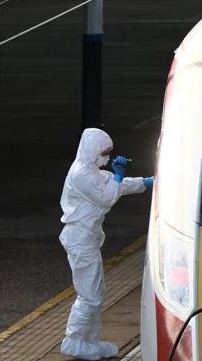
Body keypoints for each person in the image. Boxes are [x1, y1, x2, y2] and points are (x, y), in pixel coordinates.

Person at [59, 128, 154, 360]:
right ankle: (73, 341)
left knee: (96, 294)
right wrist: (120, 176)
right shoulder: (80, 174)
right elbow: (107, 196)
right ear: (93, 151)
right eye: (105, 152)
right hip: (80, 240)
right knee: (89, 296)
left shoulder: (92, 170)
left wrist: (147, 182)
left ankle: (90, 343)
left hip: (87, 239)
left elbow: (115, 184)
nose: (108, 157)